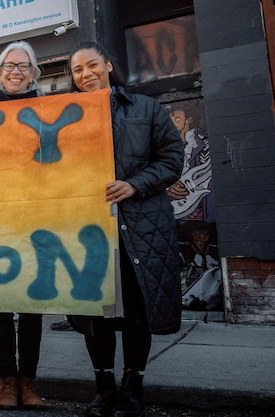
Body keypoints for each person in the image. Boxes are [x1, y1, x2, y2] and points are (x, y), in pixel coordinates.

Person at [66, 42, 183, 417]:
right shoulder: (64, 116)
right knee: (97, 313)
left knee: (137, 310)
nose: (85, 74)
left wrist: (134, 184)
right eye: (77, 70)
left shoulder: (146, 109)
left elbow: (172, 158)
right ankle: (103, 392)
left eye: (92, 65)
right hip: (90, 229)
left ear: (108, 65)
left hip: (141, 225)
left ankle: (133, 391)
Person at [0, 41, 47, 410]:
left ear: (34, 72)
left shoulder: (49, 110)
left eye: (24, 66)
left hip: (37, 218)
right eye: (9, 66)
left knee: (33, 304)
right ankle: (6, 379)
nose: (16, 72)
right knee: (1, 304)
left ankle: (29, 382)